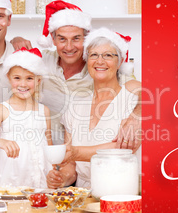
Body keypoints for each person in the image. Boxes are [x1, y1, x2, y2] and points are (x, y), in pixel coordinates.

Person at [11, 0, 142, 151]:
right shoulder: (40, 61)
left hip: (80, 157)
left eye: (76, 38)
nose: (69, 47)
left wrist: (136, 117)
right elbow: (12, 70)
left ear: (86, 39)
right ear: (52, 39)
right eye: (62, 39)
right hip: (42, 153)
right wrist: (15, 40)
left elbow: (140, 90)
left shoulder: (99, 68)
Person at [47, 27, 142, 189]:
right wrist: (62, 177)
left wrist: (76, 152)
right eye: (94, 55)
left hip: (120, 190)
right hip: (83, 196)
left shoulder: (132, 96)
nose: (100, 61)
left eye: (108, 55)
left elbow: (123, 148)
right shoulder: (75, 105)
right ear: (87, 61)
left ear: (119, 62)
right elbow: (71, 167)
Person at [0, 47, 53, 188]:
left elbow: (48, 144)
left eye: (29, 78)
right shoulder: (1, 109)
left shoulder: (44, 111)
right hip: (11, 179)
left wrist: (54, 170)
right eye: (17, 78)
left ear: (38, 81)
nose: (23, 84)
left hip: (40, 179)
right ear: (9, 78)